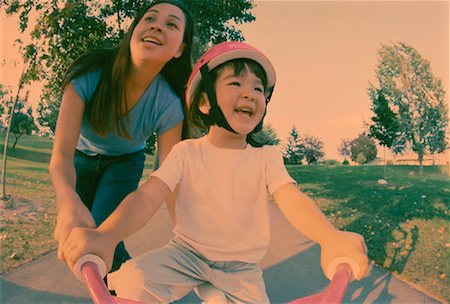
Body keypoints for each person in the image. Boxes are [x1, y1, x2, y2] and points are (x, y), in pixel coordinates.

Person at [63, 42, 369, 303]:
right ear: (205, 101)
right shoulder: (186, 152)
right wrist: (107, 235)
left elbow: (292, 199)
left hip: (241, 269)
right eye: (236, 84)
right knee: (131, 281)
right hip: (186, 255)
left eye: (258, 89)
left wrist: (329, 236)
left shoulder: (266, 157)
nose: (250, 94)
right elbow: (148, 196)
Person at [49, 0, 194, 273]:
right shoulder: (88, 73)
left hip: (124, 163)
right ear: (134, 30)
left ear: (180, 50)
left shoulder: (170, 105)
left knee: (102, 233)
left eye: (171, 24)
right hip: (79, 158)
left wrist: (189, 239)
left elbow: (169, 178)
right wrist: (66, 199)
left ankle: (128, 289)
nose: (157, 26)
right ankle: (129, 283)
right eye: (149, 18)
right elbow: (62, 153)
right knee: (81, 230)